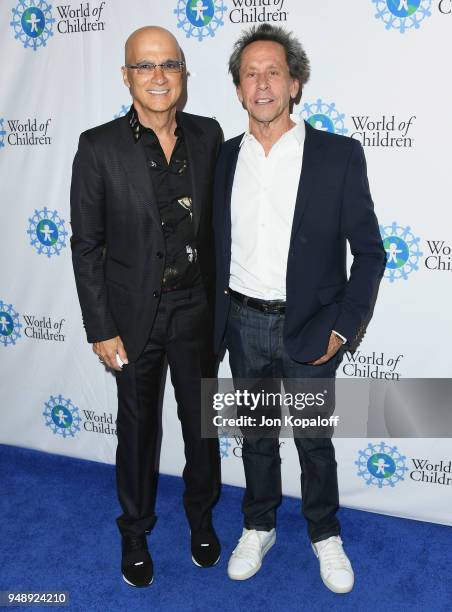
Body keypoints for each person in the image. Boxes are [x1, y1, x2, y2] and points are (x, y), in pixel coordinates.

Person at [213, 24, 386, 593]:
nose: (262, 84)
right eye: (250, 75)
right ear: (239, 90)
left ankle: (324, 534)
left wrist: (344, 326)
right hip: (241, 322)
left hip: (311, 326)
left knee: (314, 439)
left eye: (273, 73)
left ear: (295, 83)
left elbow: (369, 253)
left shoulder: (337, 156)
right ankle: (258, 523)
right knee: (256, 436)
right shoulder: (220, 160)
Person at [70, 26, 222, 588]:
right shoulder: (98, 146)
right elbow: (86, 245)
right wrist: (101, 326)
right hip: (132, 321)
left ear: (183, 73)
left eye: (169, 65)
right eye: (145, 66)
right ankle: (134, 533)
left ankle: (200, 521)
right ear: (126, 75)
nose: (158, 76)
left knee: (200, 427)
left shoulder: (208, 136)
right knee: (137, 432)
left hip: (197, 312)